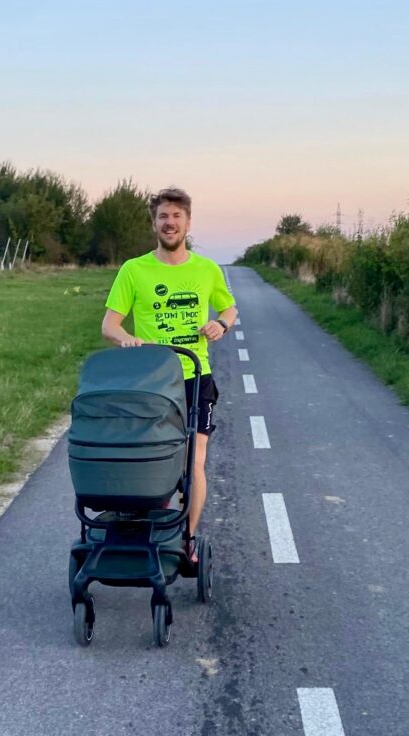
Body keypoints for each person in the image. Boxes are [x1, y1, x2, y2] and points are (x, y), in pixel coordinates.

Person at [101, 187, 237, 563]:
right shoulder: (135, 270)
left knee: (194, 459)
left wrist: (220, 325)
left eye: (177, 216)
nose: (170, 222)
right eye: (163, 216)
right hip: (152, 380)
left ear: (188, 222)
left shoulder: (206, 269)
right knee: (153, 456)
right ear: (154, 223)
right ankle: (152, 519)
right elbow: (109, 325)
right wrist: (128, 340)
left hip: (196, 377)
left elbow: (229, 310)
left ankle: (187, 540)